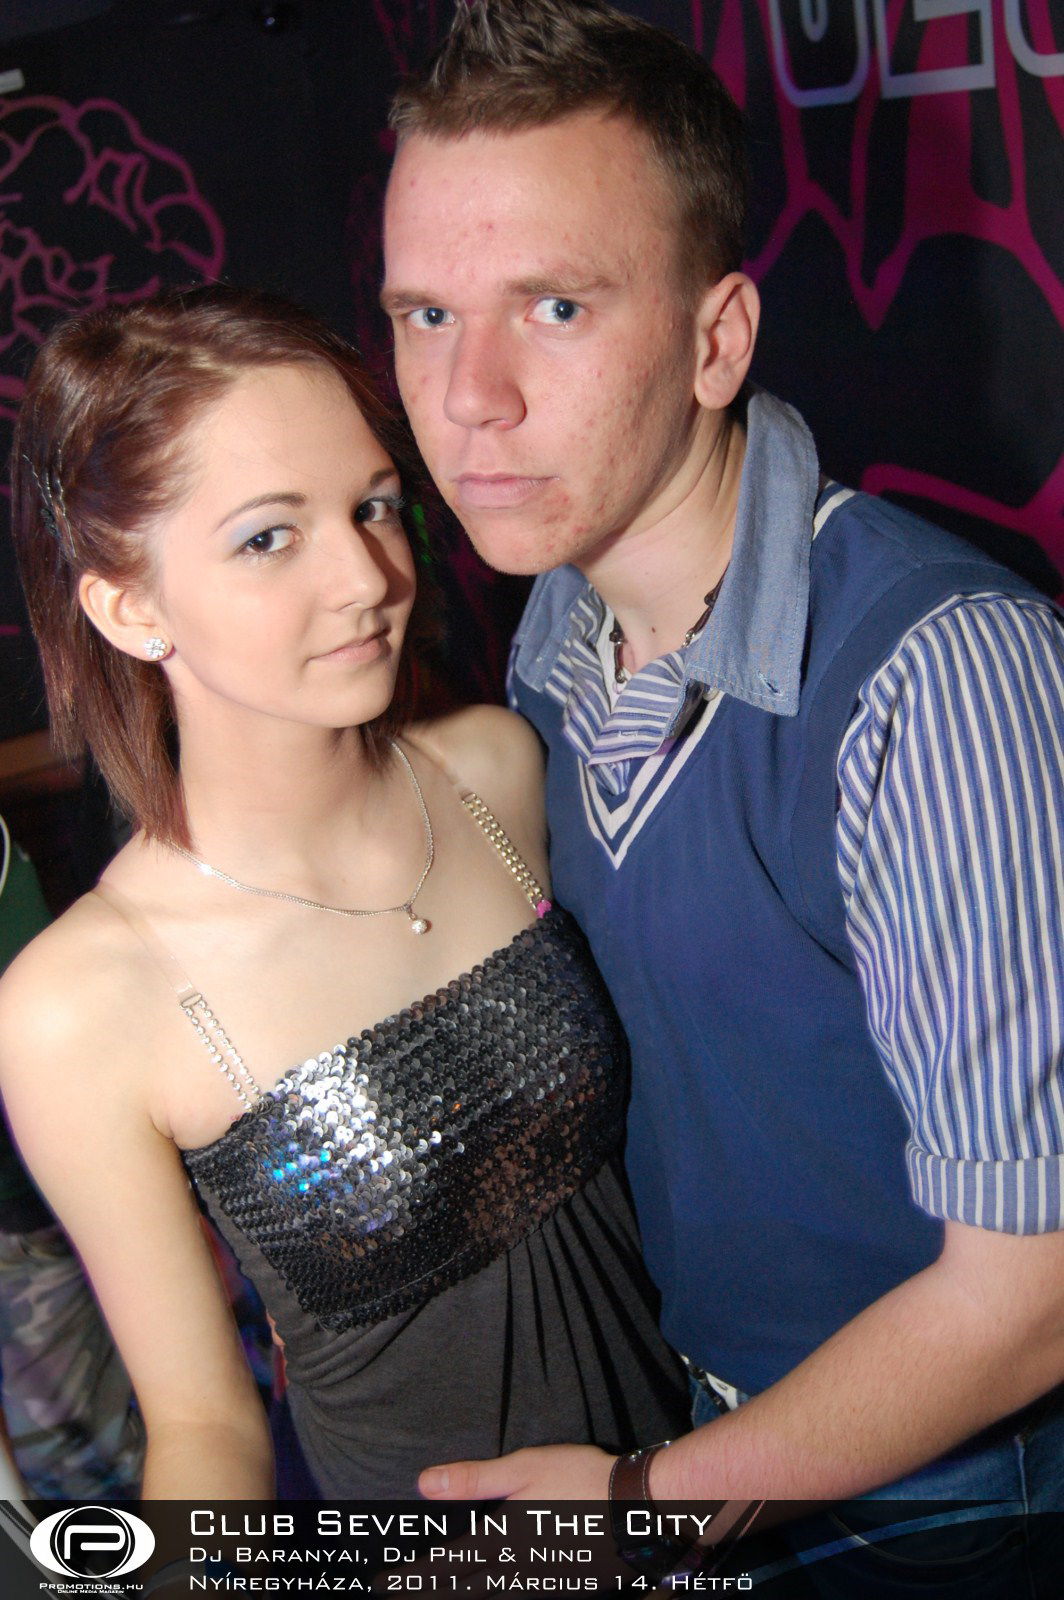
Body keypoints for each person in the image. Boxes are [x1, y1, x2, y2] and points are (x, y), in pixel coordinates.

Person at [380, 0, 1064, 1524]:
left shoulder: (934, 676)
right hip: (712, 1421)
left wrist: (648, 1502)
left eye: (556, 306)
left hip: (958, 1504)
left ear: (716, 339)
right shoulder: (555, 630)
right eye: (426, 314)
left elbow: (1033, 1293)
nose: (471, 393)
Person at [0, 284, 689, 1499]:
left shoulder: (493, 772)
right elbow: (205, 1428)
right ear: (129, 604)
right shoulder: (78, 1004)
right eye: (268, 537)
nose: (367, 576)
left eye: (371, 506)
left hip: (708, 1490)